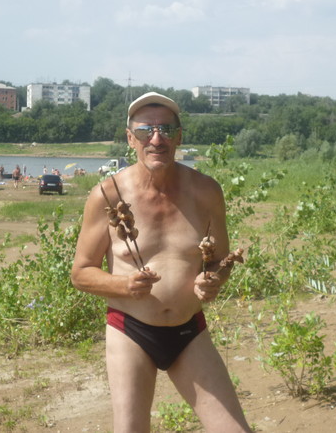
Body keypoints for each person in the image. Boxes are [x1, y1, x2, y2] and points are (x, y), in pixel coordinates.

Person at [71, 92, 251, 432]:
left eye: (166, 130)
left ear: (179, 137)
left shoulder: (207, 192)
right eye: (145, 131)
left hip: (189, 331)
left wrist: (212, 280)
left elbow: (219, 262)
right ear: (130, 138)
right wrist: (124, 285)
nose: (156, 139)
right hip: (130, 330)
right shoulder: (108, 195)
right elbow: (80, 273)